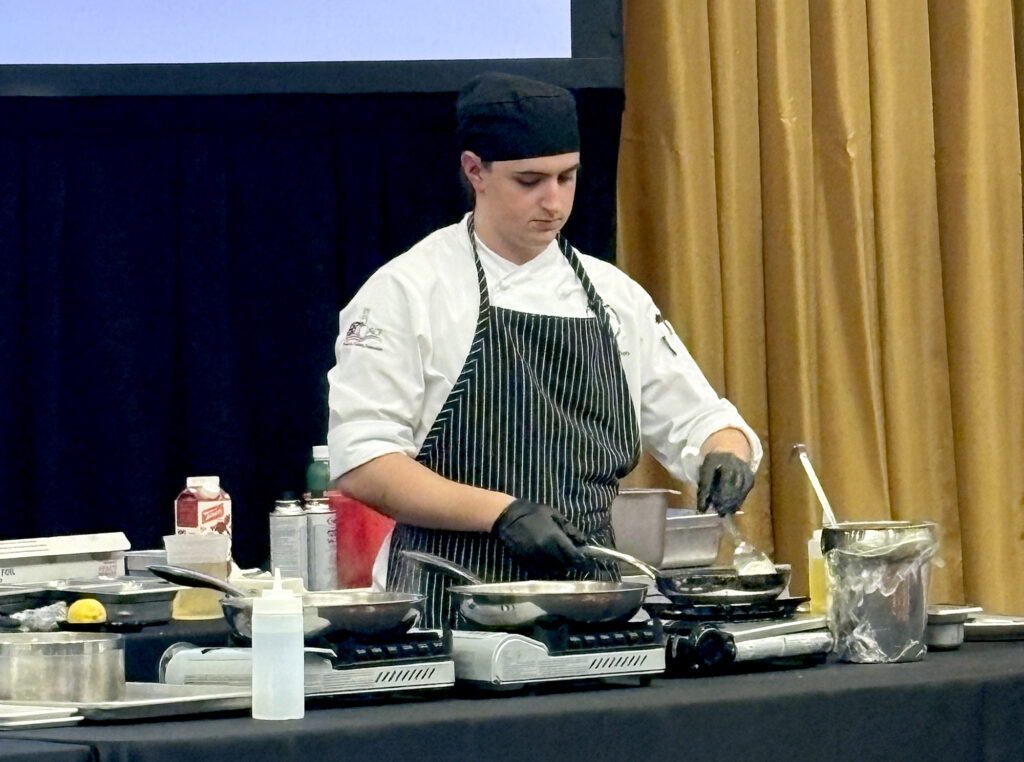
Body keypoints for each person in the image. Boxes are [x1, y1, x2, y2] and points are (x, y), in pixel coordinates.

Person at [326, 72, 762, 627]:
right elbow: (365, 463)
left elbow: (698, 418)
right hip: (453, 610)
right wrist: (501, 514)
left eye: (566, 177)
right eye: (529, 181)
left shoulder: (613, 297)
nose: (553, 202)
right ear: (474, 171)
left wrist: (724, 451)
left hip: (592, 604)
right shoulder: (407, 292)